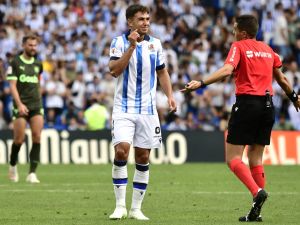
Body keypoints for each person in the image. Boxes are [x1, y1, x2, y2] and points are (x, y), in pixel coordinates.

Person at [181, 15, 300, 222]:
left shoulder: (239, 46)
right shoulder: (268, 50)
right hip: (268, 105)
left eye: (235, 29)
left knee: (233, 158)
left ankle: (257, 192)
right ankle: (257, 210)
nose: (233, 32)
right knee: (256, 159)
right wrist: (294, 98)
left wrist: (201, 83)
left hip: (247, 104)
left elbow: (227, 70)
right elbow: (281, 78)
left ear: (243, 32)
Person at [108, 4, 176, 220]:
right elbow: (114, 70)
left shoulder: (156, 45)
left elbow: (162, 72)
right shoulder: (118, 42)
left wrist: (170, 95)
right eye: (141, 19)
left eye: (147, 18)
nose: (146, 22)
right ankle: (120, 206)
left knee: (143, 156)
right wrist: (131, 47)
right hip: (124, 108)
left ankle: (136, 208)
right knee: (121, 151)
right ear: (130, 22)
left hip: (147, 110)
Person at [6, 33, 44, 184]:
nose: (33, 48)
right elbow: (12, 86)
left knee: (37, 137)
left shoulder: (38, 63)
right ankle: (13, 165)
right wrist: (20, 104)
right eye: (30, 45)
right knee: (19, 140)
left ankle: (32, 173)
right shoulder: (14, 62)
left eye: (35, 45)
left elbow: (38, 83)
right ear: (23, 45)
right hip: (20, 105)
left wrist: (39, 99)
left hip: (36, 104)